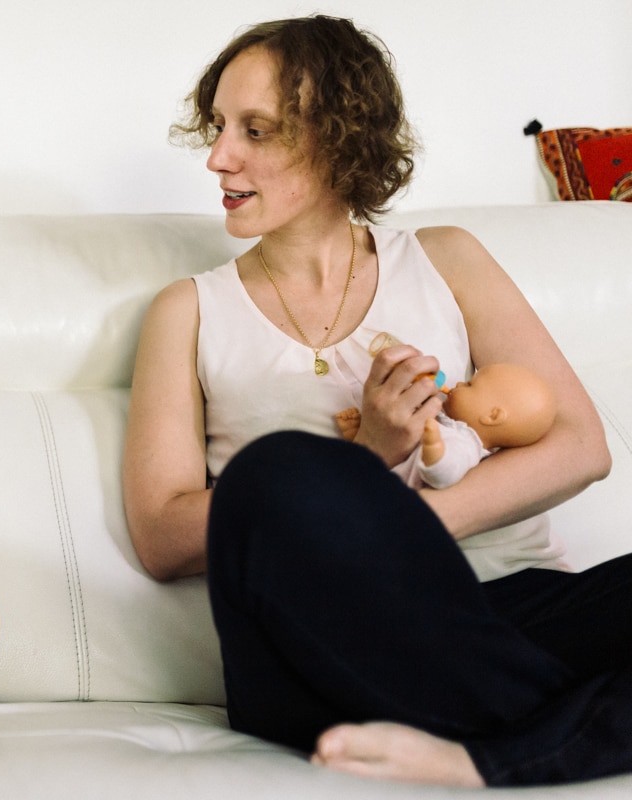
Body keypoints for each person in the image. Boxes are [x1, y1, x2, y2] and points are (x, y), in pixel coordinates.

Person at [122, 14, 631, 788]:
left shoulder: (446, 259)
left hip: (505, 610)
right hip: (326, 636)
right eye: (219, 127)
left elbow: (580, 447)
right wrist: (364, 465)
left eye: (255, 130)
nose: (219, 157)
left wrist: (406, 527)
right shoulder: (188, 310)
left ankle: (486, 744)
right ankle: (556, 725)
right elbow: (162, 534)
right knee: (274, 472)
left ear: (337, 138)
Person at [336, 357, 556, 490]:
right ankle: (359, 437)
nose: (459, 383)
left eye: (469, 385)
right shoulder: (450, 425)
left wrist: (436, 451)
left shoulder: (465, 445)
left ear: (492, 416)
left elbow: (446, 475)